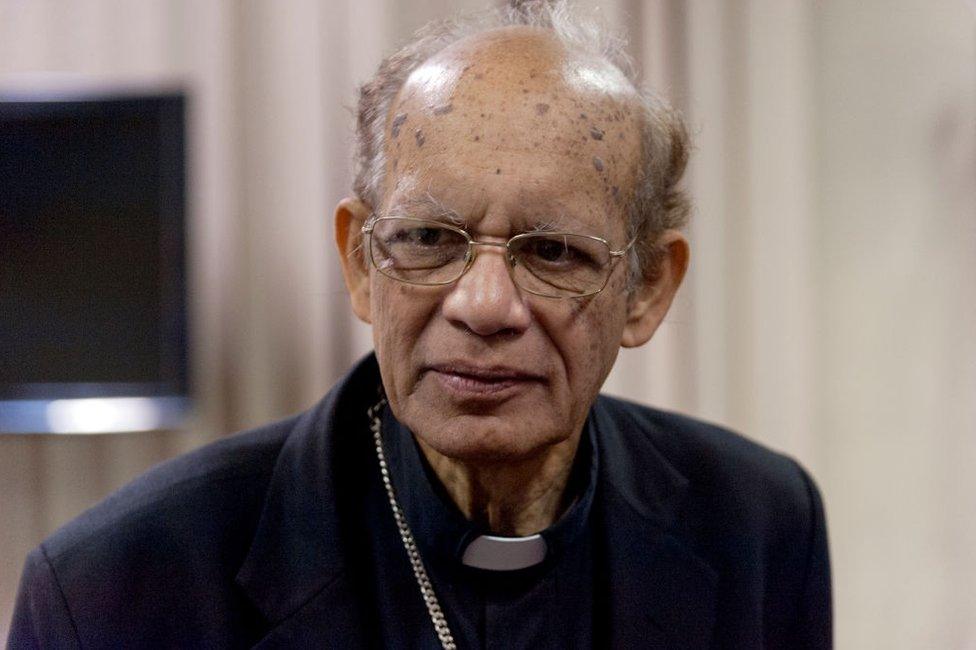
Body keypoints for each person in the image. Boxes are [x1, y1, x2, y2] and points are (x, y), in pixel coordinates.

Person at [8, 2, 831, 648]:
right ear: (361, 263)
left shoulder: (758, 525)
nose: (483, 306)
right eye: (429, 240)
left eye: (553, 251)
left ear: (648, 288)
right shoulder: (116, 585)